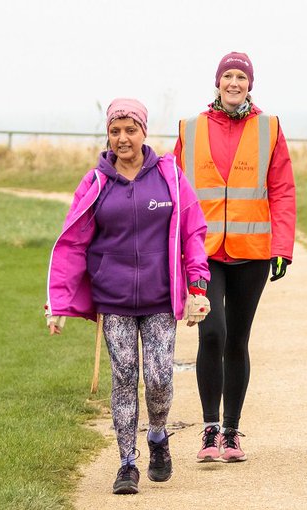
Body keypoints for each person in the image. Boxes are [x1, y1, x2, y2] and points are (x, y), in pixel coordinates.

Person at [45, 98, 211, 494]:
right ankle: (126, 463)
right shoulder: (96, 182)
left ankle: (157, 436)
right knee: (123, 378)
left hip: (159, 299)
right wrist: (59, 302)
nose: (122, 138)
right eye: (115, 130)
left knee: (157, 379)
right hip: (114, 299)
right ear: (108, 134)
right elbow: (72, 244)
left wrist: (197, 287)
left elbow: (193, 232)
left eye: (130, 130)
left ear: (143, 132)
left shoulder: (169, 176)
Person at [173, 51, 296, 462]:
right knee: (212, 333)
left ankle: (232, 432)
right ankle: (209, 430)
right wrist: (172, 249)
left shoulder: (269, 127)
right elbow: (175, 192)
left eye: (241, 76)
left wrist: (282, 247)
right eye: (227, 75)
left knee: (238, 340)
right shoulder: (190, 129)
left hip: (252, 252)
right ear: (217, 82)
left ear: (250, 84)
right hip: (203, 253)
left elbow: (281, 189)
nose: (234, 82)